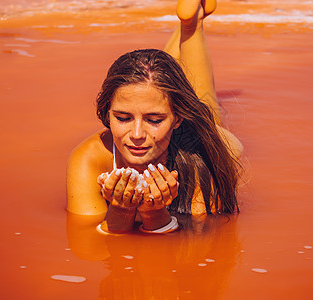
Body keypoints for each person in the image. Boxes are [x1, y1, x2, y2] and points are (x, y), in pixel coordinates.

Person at [66, 0, 243, 234]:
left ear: (177, 119)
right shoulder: (89, 158)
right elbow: (88, 244)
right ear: (108, 112)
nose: (137, 135)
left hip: (208, 134)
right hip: (172, 113)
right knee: (156, 86)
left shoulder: (202, 154)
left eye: (154, 120)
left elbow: (198, 250)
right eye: (123, 118)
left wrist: (154, 213)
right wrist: (120, 210)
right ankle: (187, 24)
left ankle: (192, 26)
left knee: (207, 109)